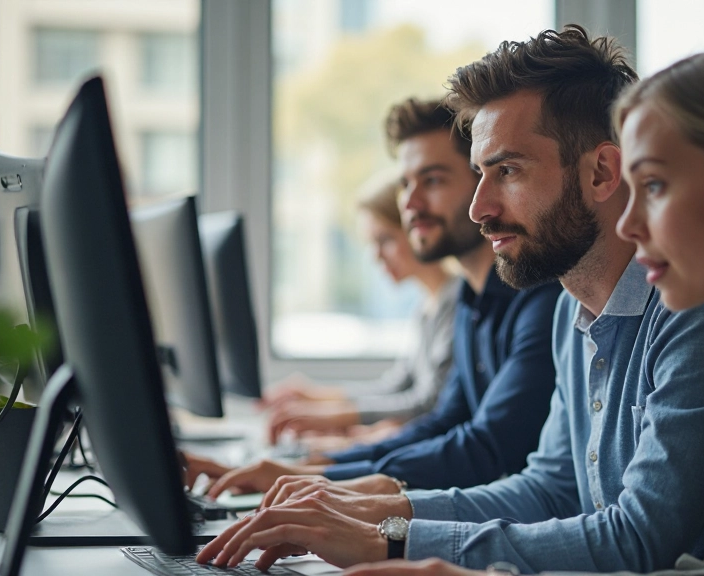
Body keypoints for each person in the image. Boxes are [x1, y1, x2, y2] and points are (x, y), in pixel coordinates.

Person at [348, 38, 704, 576]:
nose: (626, 221)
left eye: (652, 186)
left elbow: (670, 546)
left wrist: (405, 540)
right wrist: (391, 522)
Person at [193, 26, 704, 574]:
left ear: (602, 172)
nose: (478, 208)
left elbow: (637, 540)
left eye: (507, 171)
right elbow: (550, 489)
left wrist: (390, 542)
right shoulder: (568, 310)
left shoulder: (696, 313)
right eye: (481, 173)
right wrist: (373, 511)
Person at [185, 97, 562, 496]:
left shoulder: (540, 301)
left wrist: (318, 476)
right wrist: (316, 468)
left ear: (481, 186)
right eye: (405, 184)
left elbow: (487, 447)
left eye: (432, 180)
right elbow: (443, 423)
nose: (411, 205)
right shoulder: (473, 300)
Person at [261, 175, 461, 453]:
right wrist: (317, 397)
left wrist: (332, 416)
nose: (376, 256)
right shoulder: (428, 304)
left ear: (416, 227)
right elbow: (396, 385)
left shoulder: (457, 302)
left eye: (385, 239)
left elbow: (427, 402)